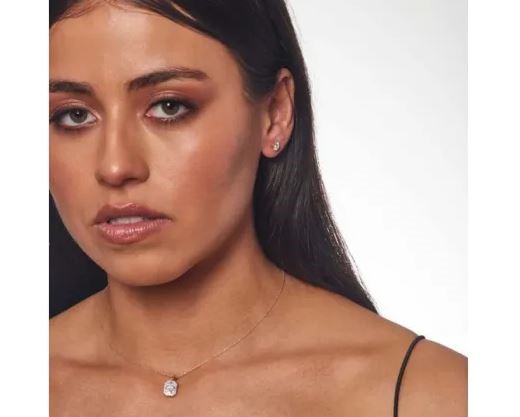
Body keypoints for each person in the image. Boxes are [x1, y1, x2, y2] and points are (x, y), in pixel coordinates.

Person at [49, 0, 467, 415]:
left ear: (275, 113)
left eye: (169, 106)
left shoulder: (431, 396)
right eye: (74, 116)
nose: (116, 166)